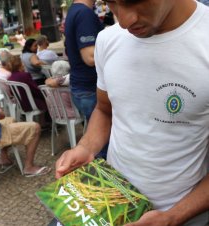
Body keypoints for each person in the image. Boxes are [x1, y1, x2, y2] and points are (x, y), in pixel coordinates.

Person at [56, 0, 209, 226]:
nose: (125, 21)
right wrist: (86, 147)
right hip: (112, 201)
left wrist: (172, 218)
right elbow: (105, 109)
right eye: (110, 2)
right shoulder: (108, 39)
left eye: (135, 0)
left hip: (184, 213)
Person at [64, 0, 103, 122]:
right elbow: (90, 57)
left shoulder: (75, 10)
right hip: (90, 89)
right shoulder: (84, 13)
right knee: (104, 138)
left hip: (83, 87)